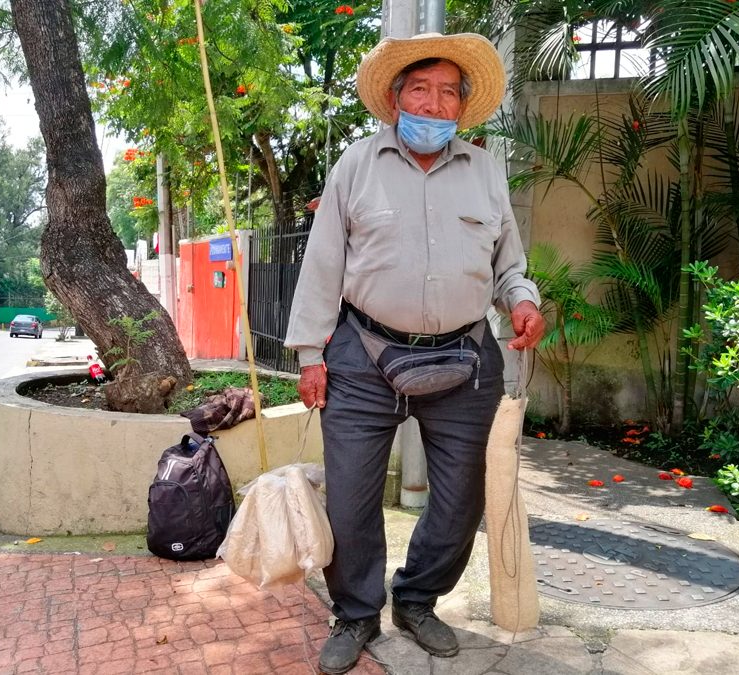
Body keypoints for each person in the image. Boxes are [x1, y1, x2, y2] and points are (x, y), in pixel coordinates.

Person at [283, 32, 546, 674]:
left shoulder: (484, 170)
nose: (433, 103)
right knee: (350, 498)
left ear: (461, 106)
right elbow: (323, 264)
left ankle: (417, 599)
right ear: (397, 98)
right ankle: (355, 612)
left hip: (466, 356)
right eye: (421, 89)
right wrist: (310, 354)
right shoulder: (356, 165)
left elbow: (509, 264)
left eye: (447, 92)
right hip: (363, 355)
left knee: (460, 500)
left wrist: (522, 301)